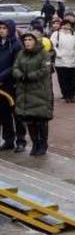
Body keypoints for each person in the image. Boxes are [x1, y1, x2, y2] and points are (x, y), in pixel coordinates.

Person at [13, 32, 52, 156]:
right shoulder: (21, 53)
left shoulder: (43, 54)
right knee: (29, 119)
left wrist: (29, 76)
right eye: (25, 40)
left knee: (40, 119)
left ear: (35, 41)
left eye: (30, 39)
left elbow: (45, 70)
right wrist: (20, 75)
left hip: (39, 92)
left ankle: (43, 143)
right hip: (25, 92)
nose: (27, 42)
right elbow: (15, 67)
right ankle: (35, 143)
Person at [0, 21, 27, 151]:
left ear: (10, 29)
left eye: (4, 28)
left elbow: (16, 65)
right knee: (3, 113)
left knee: (17, 113)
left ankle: (21, 140)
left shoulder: (16, 45)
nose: (1, 30)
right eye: (0, 28)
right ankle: (8, 139)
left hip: (13, 84)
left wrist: (2, 76)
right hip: (1, 86)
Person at [50, 20, 75, 103]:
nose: (66, 27)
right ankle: (66, 95)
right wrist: (58, 54)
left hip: (72, 60)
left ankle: (72, 95)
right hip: (60, 61)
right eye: (65, 25)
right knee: (63, 80)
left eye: (68, 25)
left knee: (72, 79)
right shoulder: (56, 34)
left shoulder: (74, 34)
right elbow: (52, 45)